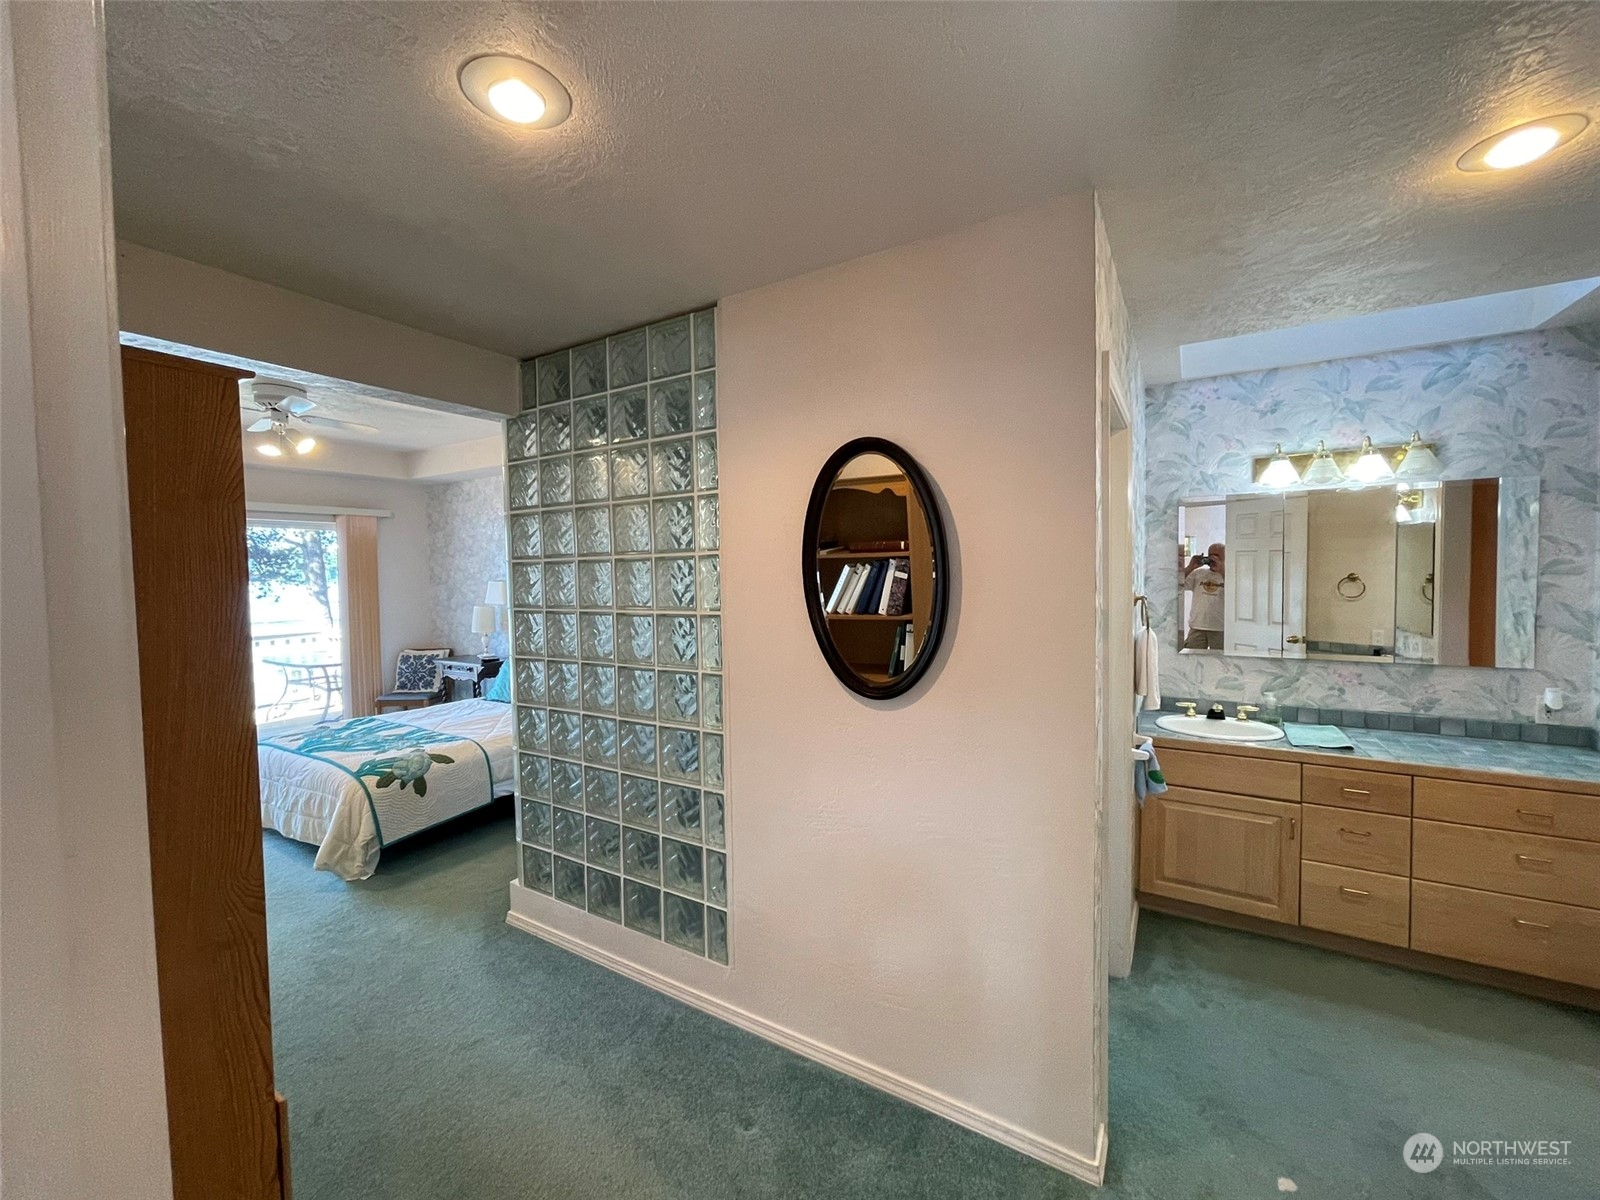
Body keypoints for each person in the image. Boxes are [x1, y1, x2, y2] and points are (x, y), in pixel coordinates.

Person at [1182, 542, 1226, 651]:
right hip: (1197, 626)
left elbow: (1237, 592)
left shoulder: (1229, 574)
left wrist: (1222, 570)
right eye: (1210, 555)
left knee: (1219, 662)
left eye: (1217, 556)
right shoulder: (1198, 573)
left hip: (1220, 628)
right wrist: (1191, 566)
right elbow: (1176, 583)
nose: (1212, 558)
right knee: (1191, 659)